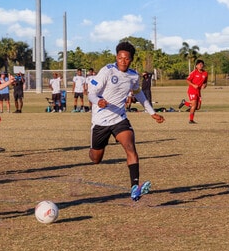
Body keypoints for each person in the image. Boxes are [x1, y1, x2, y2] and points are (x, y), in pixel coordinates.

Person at [86, 41, 165, 201]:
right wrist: (98, 101)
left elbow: (139, 94)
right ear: (116, 57)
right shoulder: (107, 71)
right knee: (96, 158)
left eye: (126, 58)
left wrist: (151, 112)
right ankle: (93, 148)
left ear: (131, 60)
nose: (123, 61)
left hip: (119, 119)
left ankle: (134, 188)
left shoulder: (133, 76)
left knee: (131, 148)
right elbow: (91, 93)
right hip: (101, 121)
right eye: (120, 58)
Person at [179, 60, 208, 124]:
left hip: (198, 91)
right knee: (194, 105)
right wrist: (193, 85)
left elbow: (205, 82)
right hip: (192, 90)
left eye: (202, 64)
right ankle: (191, 120)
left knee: (197, 107)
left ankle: (185, 102)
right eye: (199, 64)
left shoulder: (205, 73)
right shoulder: (194, 72)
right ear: (196, 66)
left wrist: (205, 85)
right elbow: (188, 80)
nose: (201, 65)